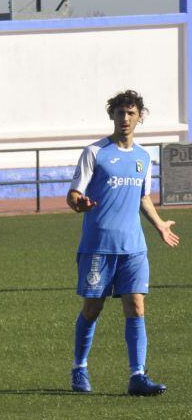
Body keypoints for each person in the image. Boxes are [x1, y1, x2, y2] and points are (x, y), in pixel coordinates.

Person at [66, 90, 179, 396]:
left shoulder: (143, 157)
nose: (125, 118)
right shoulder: (94, 152)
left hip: (134, 247)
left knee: (137, 305)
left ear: (139, 117)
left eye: (131, 113)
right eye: (120, 113)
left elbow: (143, 197)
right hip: (98, 246)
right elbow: (73, 194)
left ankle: (137, 376)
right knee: (92, 308)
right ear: (112, 116)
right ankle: (79, 368)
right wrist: (79, 203)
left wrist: (159, 225)